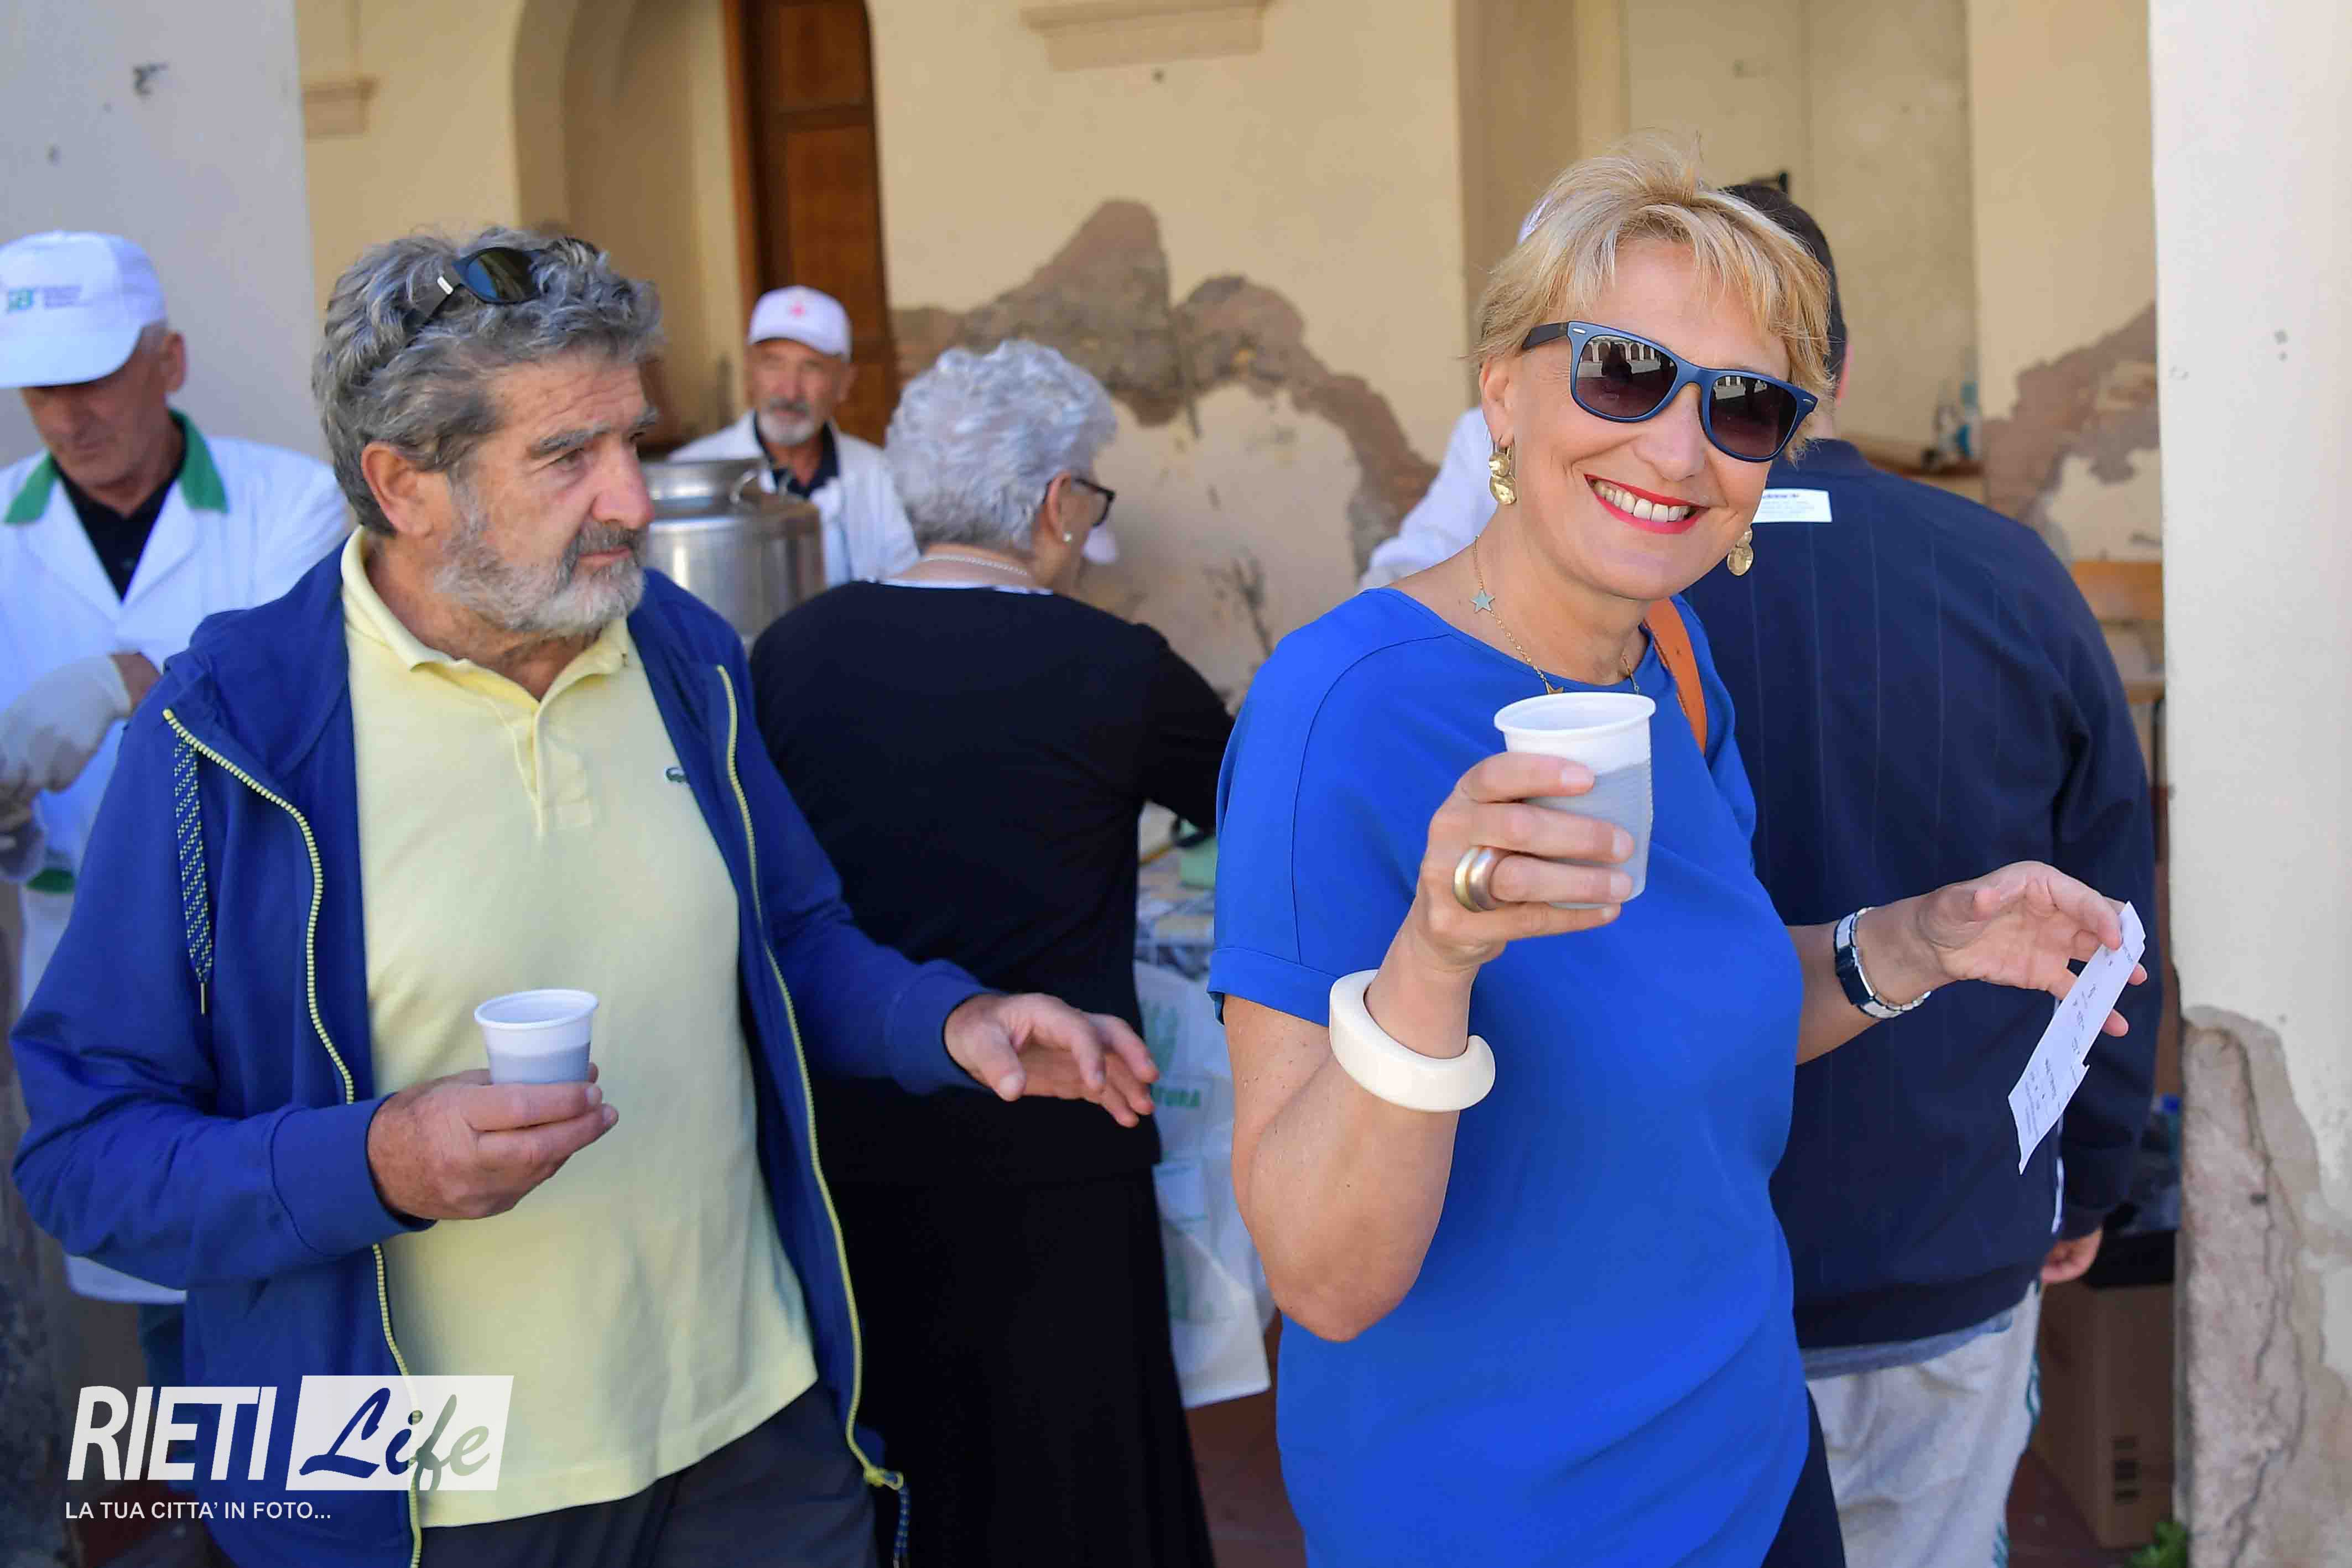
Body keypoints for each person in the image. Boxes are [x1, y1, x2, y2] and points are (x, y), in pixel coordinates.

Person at [11, 230, 1159, 1568]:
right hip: (441, 1503)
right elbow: (86, 1154)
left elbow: (788, 938)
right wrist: (372, 1163)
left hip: (755, 1442)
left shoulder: (679, 653)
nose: (631, 500)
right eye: (566, 456)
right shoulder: (232, 731)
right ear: (403, 484)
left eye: (632, 440)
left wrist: (946, 1020)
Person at [1210, 140, 2146, 1568]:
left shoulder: (1669, 658)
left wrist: (1918, 939)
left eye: (1742, 405)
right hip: (1511, 1520)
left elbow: (1696, 1001)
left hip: (1751, 1460)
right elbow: (1325, 1280)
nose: (1674, 447)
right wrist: (1434, 959)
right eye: (1622, 372)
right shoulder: (1338, 709)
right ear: (1500, 392)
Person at [1679, 184, 2161, 1568]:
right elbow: (2109, 920)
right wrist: (2089, 1174)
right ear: (1834, 365)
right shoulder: (2009, 573)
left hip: (1678, 1269)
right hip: (1946, 1233)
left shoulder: (1609, 600)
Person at [749, 338, 1229, 1568]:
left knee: (895, 1489)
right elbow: (1258, 804)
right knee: (1083, 1502)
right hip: (1061, 1138)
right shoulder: (1114, 668)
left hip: (851, 1141)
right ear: (1058, 503)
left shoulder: (791, 654)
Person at [0, 229, 348, 1342]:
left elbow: (293, 698)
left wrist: (129, 676)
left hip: (265, 956)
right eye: (39, 389)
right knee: (164, 1296)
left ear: (171, 361)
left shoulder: (291, 502)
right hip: (84, 958)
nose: (67, 417)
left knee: (297, 1270)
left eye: (94, 377)